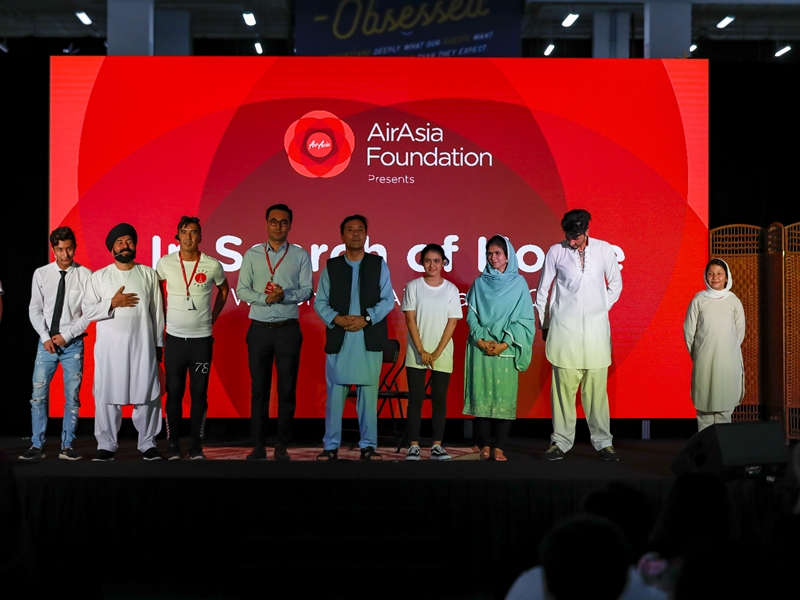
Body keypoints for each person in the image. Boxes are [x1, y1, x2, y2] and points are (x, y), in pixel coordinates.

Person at [536, 209, 622, 461]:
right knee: (562, 392)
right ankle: (560, 442)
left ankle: (604, 443)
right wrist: (545, 324)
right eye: (568, 237)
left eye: (576, 237)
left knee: (596, 394)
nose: (571, 242)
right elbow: (543, 290)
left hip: (596, 333)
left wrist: (598, 307)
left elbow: (616, 285)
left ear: (586, 231)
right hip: (564, 331)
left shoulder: (604, 250)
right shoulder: (556, 251)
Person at [314, 214, 394, 461]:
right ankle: (331, 447)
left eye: (360, 229)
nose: (356, 233)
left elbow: (388, 300)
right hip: (340, 339)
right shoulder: (332, 266)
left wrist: (366, 319)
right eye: (350, 229)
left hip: (368, 339)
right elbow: (320, 302)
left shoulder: (378, 264)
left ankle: (368, 446)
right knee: (335, 397)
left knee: (368, 398)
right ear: (342, 236)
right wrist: (336, 319)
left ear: (366, 235)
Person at [82, 223, 165, 461]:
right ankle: (106, 444)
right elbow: (87, 311)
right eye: (119, 242)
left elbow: (157, 312)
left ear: (135, 246)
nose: (125, 245)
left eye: (129, 241)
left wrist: (158, 345)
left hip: (143, 345)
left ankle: (147, 443)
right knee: (107, 392)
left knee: (147, 391)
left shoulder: (148, 274)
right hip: (110, 348)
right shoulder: (99, 277)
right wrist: (112, 303)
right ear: (112, 249)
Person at [237, 204, 313, 460]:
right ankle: (258, 444)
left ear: (290, 225)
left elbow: (307, 290)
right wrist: (264, 298)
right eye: (273, 221)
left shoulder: (300, 255)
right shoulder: (252, 254)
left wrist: (284, 295)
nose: (278, 226)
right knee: (259, 390)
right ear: (266, 223)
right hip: (259, 329)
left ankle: (282, 444)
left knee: (287, 390)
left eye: (283, 222)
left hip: (287, 330)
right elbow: (242, 290)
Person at [156, 216, 229, 460]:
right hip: (175, 340)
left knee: (199, 395)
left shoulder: (212, 265)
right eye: (184, 231)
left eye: (194, 232)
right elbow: (156, 288)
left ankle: (196, 446)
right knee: (174, 393)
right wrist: (161, 315)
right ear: (177, 235)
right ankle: (173, 445)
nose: (188, 236)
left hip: (201, 341)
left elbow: (224, 289)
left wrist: (212, 317)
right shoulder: (165, 263)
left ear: (200, 237)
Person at [20, 227, 92, 460]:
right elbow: (35, 309)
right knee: (38, 395)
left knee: (73, 397)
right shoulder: (41, 274)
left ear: (75, 248)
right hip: (46, 344)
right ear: (53, 250)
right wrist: (44, 337)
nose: (65, 254)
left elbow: (88, 313)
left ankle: (67, 446)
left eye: (69, 248)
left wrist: (67, 335)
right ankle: (36, 445)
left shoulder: (85, 275)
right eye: (60, 249)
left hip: (73, 345)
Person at [463, 236, 535, 461]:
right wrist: (481, 341)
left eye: (498, 253)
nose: (493, 258)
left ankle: (500, 447)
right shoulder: (479, 283)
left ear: (507, 256)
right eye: (490, 254)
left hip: (507, 348)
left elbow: (525, 319)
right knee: (482, 396)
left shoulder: (519, 284)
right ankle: (484, 445)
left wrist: (504, 344)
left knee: (504, 398)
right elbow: (471, 315)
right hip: (482, 349)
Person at [401, 243, 462, 461]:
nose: (432, 265)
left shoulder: (451, 289)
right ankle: (414, 446)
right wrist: (421, 350)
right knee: (415, 398)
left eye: (437, 261)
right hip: (416, 352)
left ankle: (437, 445)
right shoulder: (413, 286)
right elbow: (410, 320)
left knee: (439, 399)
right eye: (428, 261)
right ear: (421, 263)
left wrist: (436, 352)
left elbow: (452, 323)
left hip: (442, 353)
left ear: (443, 262)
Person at [683, 259, 745, 431]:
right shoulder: (698, 300)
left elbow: (739, 332)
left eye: (719, 273)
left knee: (725, 409)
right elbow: (689, 332)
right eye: (711, 273)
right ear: (706, 277)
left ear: (727, 277)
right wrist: (700, 355)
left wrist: (727, 350)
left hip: (727, 362)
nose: (715, 277)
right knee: (705, 409)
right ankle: (706, 446)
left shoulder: (733, 301)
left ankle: (723, 447)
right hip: (705, 361)